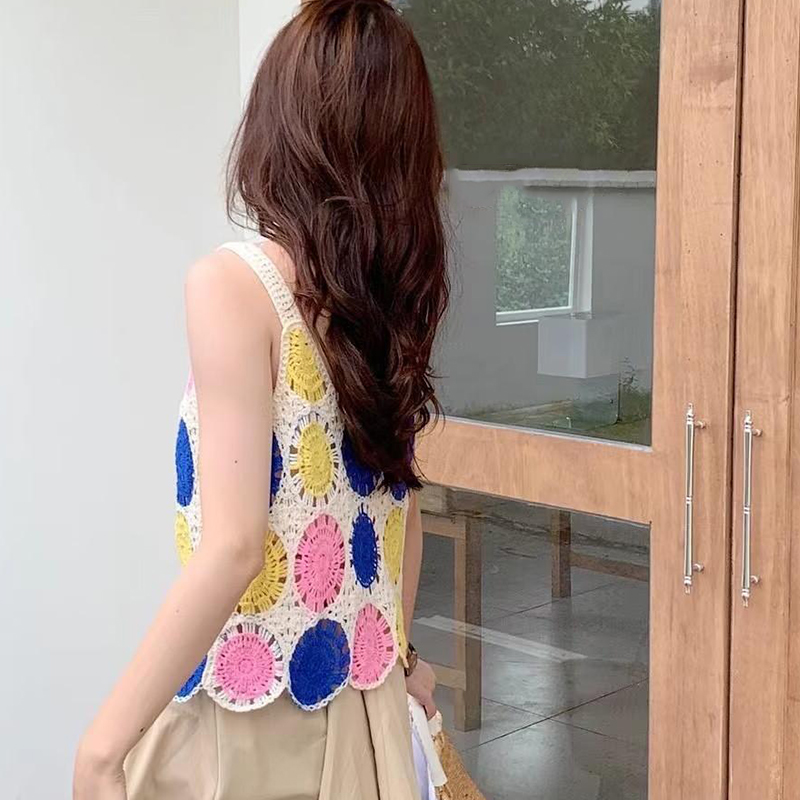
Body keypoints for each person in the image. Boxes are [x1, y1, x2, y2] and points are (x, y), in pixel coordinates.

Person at [72, 1, 449, 798]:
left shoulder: (235, 286)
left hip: (254, 728)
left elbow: (235, 546)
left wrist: (102, 748)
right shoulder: (384, 307)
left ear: (282, 123)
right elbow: (402, 519)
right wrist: (400, 660)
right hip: (371, 720)